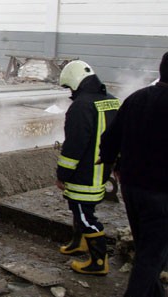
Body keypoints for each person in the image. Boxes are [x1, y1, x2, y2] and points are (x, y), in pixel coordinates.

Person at [99, 52, 168, 296]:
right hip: (160, 193)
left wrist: (111, 167)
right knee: (152, 256)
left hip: (131, 186)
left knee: (147, 249)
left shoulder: (136, 98)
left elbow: (109, 139)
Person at [56, 60, 119, 275]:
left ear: (76, 82)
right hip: (102, 171)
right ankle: (79, 243)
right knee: (82, 209)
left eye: (70, 87)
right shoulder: (111, 101)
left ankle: (99, 262)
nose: (70, 92)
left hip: (84, 174)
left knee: (84, 215)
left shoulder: (81, 106)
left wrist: (62, 174)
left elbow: (74, 145)